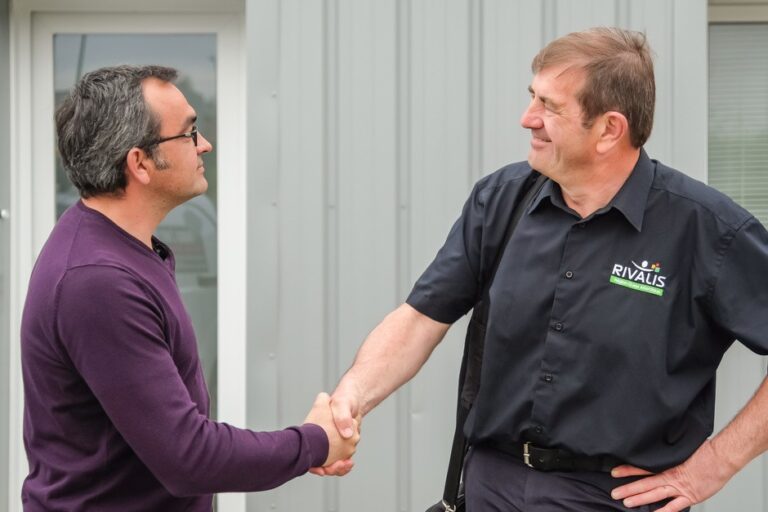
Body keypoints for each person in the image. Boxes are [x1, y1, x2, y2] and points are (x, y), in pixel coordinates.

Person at [313, 27, 768, 511]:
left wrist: (713, 466)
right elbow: (421, 318)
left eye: (550, 106)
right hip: (490, 487)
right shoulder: (501, 200)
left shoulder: (708, 230)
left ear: (609, 130)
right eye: (533, 96)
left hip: (611, 498)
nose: (527, 118)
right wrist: (351, 399)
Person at [20, 65, 359, 511]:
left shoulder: (122, 249)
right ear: (139, 163)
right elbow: (188, 457)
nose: (205, 144)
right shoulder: (97, 280)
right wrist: (314, 442)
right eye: (188, 132)